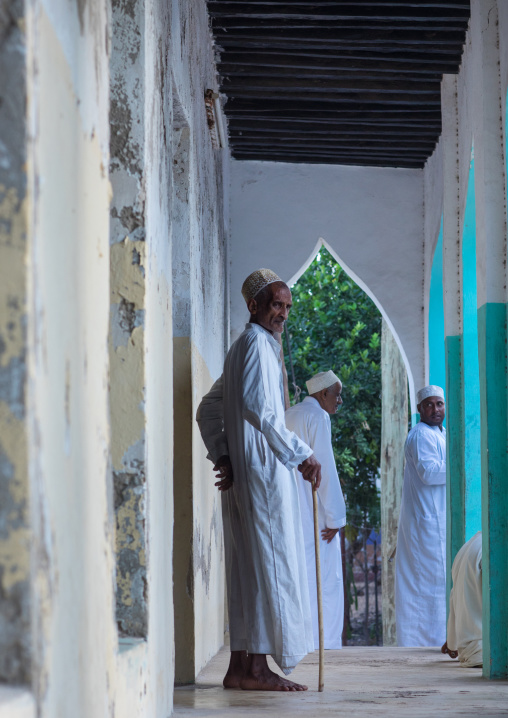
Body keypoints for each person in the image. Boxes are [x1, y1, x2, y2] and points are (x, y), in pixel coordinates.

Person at [196, 268, 321, 692]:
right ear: (254, 305)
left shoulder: (247, 347)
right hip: (264, 475)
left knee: (249, 569)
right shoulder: (254, 345)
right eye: (275, 305)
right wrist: (300, 455)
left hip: (248, 474)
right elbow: (257, 407)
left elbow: (208, 408)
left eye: (287, 306)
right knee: (270, 565)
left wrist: (224, 455)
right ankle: (256, 669)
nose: (282, 313)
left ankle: (239, 668)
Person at [285, 370, 347, 650]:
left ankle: (301, 639)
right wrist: (335, 517)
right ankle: (325, 642)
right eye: (337, 395)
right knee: (324, 575)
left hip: (289, 503)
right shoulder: (318, 416)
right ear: (323, 394)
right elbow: (325, 468)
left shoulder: (290, 413)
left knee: (299, 572)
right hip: (314, 508)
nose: (340, 401)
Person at [395, 384, 446, 646]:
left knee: (436, 587)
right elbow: (428, 472)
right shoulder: (421, 435)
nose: (435, 409)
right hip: (424, 526)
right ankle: (418, 644)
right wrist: (462, 464)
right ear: (419, 409)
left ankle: (437, 641)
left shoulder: (441, 433)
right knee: (422, 586)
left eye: (439, 404)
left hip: (435, 524)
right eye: (429, 404)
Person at [441, 531, 482, 667]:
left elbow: (454, 598)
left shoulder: (467, 547)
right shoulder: (495, 548)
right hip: (489, 654)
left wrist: (452, 643)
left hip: (470, 653)